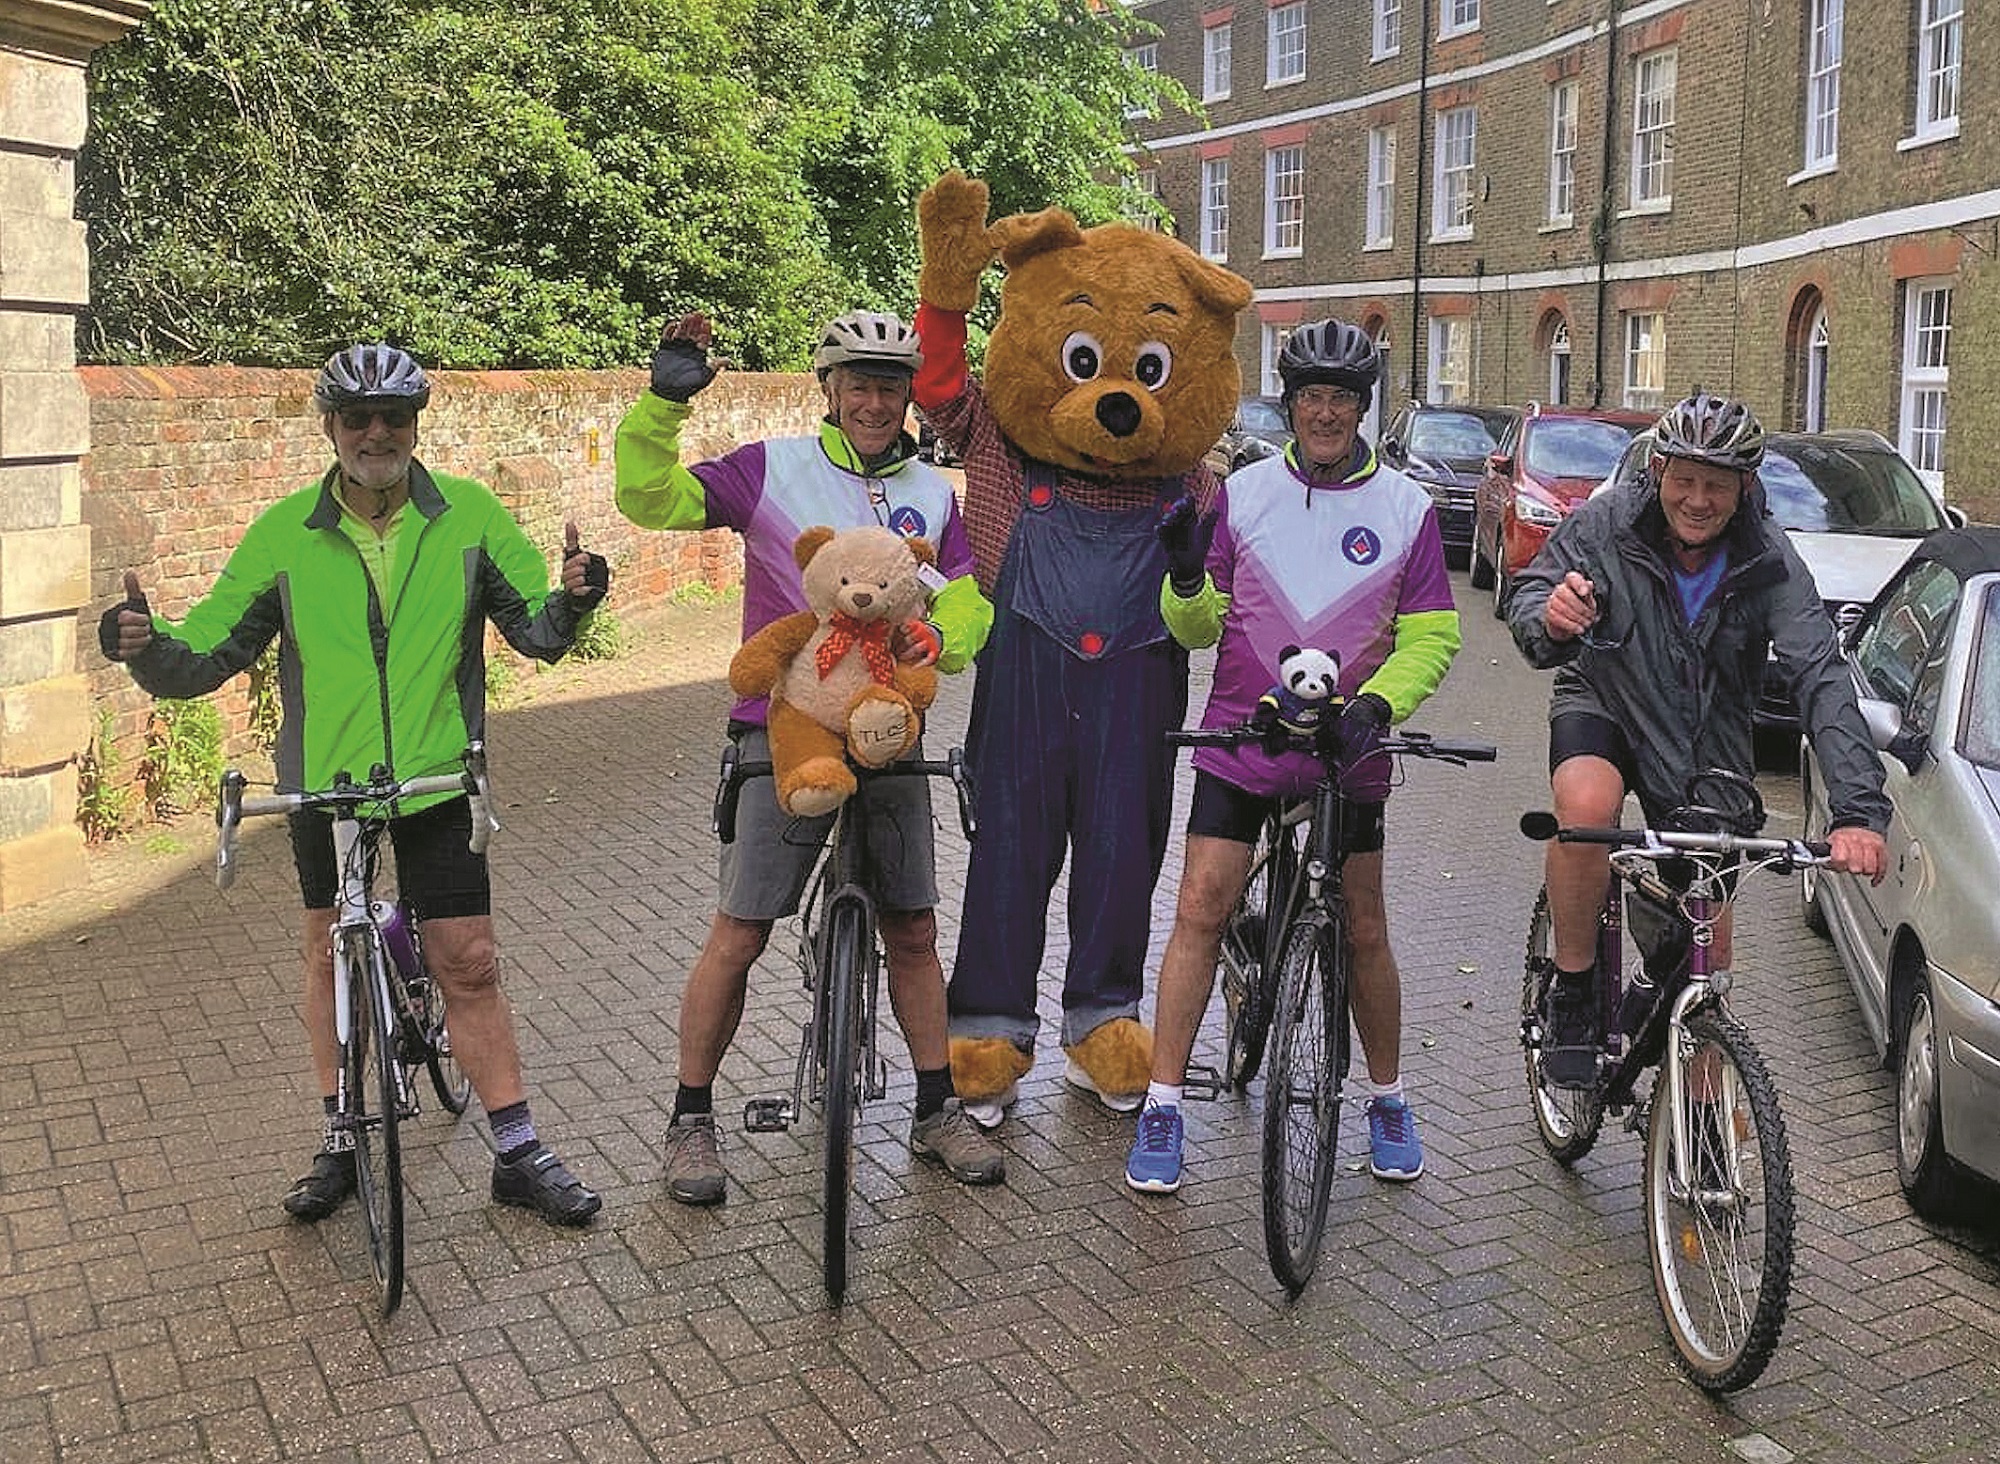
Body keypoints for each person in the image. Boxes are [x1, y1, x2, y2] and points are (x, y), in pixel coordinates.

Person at [99, 343, 608, 1227]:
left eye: (395, 418)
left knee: (470, 964)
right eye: (357, 418)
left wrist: (578, 596)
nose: (378, 433)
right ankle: (339, 1135)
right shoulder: (285, 534)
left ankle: (518, 1149)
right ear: (328, 426)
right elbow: (209, 651)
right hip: (323, 788)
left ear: (416, 426)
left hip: (440, 776)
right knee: (327, 951)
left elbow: (538, 631)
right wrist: (147, 649)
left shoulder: (472, 517)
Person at [614, 308, 1005, 1204]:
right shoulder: (773, 467)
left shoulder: (933, 496)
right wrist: (661, 406)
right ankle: (690, 1121)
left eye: (891, 384)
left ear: (910, 394)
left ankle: (935, 1108)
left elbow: (971, 605)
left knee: (911, 928)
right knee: (742, 929)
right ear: (827, 387)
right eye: (858, 382)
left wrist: (939, 646)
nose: (875, 400)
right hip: (780, 729)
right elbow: (651, 498)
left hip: (886, 728)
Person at [1124, 318, 1463, 1194]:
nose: (1324, 413)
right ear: (1290, 403)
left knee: (1363, 926)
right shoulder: (1242, 496)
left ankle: (1389, 1098)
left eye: (1341, 399)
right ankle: (1164, 1107)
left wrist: (1381, 703)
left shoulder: (1407, 509)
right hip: (1245, 736)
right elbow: (1193, 629)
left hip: (1350, 746)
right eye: (1310, 396)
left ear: (1361, 408)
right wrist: (1187, 575)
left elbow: (1432, 633)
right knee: (1200, 906)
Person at [1506, 391, 1890, 1087]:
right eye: (1684, 478)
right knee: (1586, 810)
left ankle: (1704, 1116)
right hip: (1607, 699)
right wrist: (1553, 616)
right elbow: (1529, 595)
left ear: (1746, 486)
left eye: (1716, 484)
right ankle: (1572, 988)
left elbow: (1821, 679)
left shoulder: (1771, 561)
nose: (1697, 499)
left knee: (1708, 934)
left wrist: (1858, 813)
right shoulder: (1606, 523)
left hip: (1705, 742)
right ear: (1658, 470)